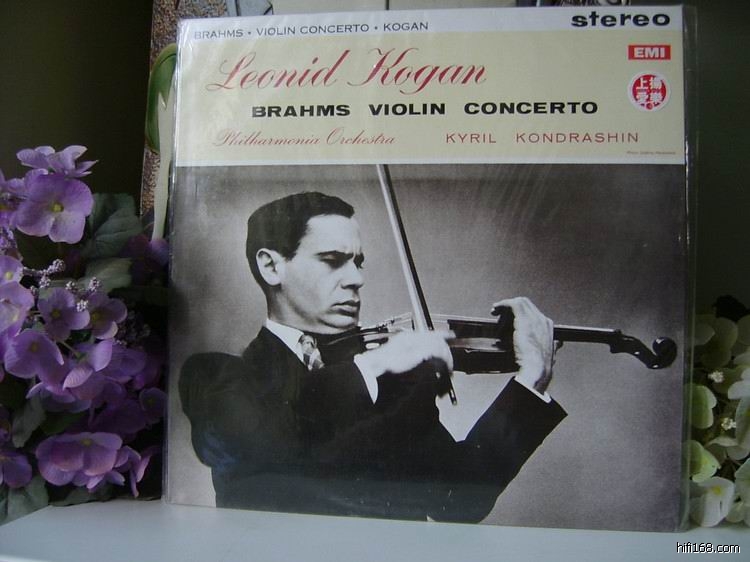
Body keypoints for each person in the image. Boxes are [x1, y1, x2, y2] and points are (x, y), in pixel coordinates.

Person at [179, 191, 566, 523]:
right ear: (271, 266)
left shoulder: (392, 386)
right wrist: (375, 365)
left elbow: (460, 498)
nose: (356, 279)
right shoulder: (217, 376)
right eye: (332, 260)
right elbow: (267, 439)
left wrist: (530, 380)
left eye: (358, 262)